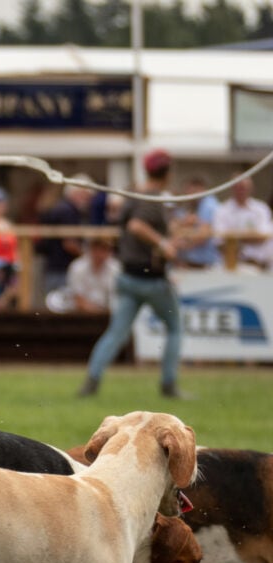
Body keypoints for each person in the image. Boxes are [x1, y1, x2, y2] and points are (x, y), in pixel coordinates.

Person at [78, 148, 185, 399]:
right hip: (150, 279)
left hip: (128, 277)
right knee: (175, 328)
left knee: (116, 333)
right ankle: (169, 384)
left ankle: (92, 381)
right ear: (167, 172)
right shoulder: (152, 197)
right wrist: (163, 244)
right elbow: (137, 226)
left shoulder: (133, 193)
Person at [37, 178, 93, 294]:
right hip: (62, 270)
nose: (87, 200)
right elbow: (69, 243)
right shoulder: (68, 211)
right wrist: (89, 258)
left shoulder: (62, 207)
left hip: (54, 267)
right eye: (85, 195)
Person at [213, 175, 273, 270]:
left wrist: (233, 239)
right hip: (233, 266)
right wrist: (249, 237)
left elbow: (263, 237)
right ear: (232, 188)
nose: (241, 191)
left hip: (259, 266)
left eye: (244, 188)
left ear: (251, 189)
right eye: (237, 187)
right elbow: (219, 241)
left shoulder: (261, 209)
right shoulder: (222, 210)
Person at [172, 176, 220, 269]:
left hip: (206, 265)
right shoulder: (190, 205)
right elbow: (174, 226)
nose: (187, 194)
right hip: (191, 263)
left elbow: (203, 236)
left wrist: (182, 245)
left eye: (190, 191)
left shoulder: (209, 204)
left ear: (200, 189)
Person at [64, 237, 121, 312]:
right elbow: (77, 297)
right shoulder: (77, 267)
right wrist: (95, 310)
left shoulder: (116, 267)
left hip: (108, 313)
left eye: (104, 249)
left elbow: (117, 295)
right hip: (81, 314)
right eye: (97, 248)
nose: (100, 253)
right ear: (91, 249)